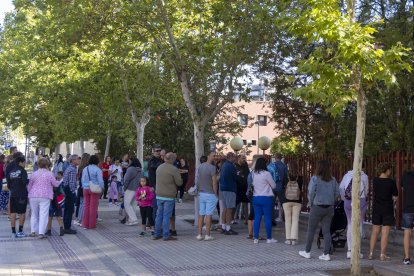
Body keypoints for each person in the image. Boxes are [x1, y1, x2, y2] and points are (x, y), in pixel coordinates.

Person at [299, 160, 339, 261]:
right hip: (329, 208)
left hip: (317, 207)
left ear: (318, 168)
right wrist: (332, 201)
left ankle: (307, 252)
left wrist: (310, 202)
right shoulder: (333, 180)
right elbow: (337, 193)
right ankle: (326, 254)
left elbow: (311, 191)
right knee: (326, 232)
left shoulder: (315, 178)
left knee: (311, 230)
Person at [368, 163, 398, 261]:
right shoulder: (391, 182)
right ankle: (382, 254)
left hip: (377, 208)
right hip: (387, 209)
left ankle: (371, 253)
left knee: (375, 231)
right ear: (387, 170)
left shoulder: (375, 181)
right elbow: (395, 196)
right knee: (385, 232)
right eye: (390, 170)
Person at [151, 152, 183, 241]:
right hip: (169, 196)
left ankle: (157, 234)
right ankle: (166, 235)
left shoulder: (159, 167)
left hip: (159, 195)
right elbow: (179, 182)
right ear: (172, 159)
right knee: (166, 216)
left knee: (159, 215)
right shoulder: (174, 169)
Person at [339, 167, 369, 259]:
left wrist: (344, 199)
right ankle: (357, 250)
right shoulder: (364, 176)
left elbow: (341, 187)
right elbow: (366, 190)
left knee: (350, 224)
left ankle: (349, 250)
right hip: (361, 201)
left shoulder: (347, 175)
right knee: (359, 225)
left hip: (348, 202)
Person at [28, 157, 60, 239]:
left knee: (34, 214)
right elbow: (55, 184)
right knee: (43, 214)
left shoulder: (34, 174)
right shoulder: (49, 174)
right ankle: (41, 233)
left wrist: (29, 193)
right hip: (45, 196)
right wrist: (61, 180)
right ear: (47, 165)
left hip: (33, 195)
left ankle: (33, 231)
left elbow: (29, 186)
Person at [251, 157, 277, 244]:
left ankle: (255, 238)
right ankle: (269, 238)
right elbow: (273, 186)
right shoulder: (267, 174)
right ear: (264, 164)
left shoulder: (253, 174)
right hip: (266, 198)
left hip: (256, 198)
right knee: (267, 218)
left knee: (257, 217)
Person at [196, 151, 218, 241]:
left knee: (201, 214)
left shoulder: (200, 166)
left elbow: (198, 180)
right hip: (210, 193)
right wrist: (215, 193)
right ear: (208, 156)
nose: (214, 157)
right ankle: (207, 235)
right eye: (213, 156)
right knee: (208, 214)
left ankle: (199, 234)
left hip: (202, 193)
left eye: (215, 156)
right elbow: (214, 182)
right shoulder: (212, 168)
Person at [7, 155, 29, 238]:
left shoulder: (11, 171)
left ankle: (13, 232)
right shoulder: (23, 171)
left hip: (13, 194)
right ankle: (20, 231)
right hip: (22, 194)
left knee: (13, 213)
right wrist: (28, 180)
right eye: (24, 163)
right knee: (22, 213)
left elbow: (9, 184)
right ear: (20, 162)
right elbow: (24, 182)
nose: (25, 164)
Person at [283, 161, 303, 245]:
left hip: (286, 200)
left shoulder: (285, 176)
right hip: (297, 201)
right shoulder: (300, 177)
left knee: (288, 220)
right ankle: (294, 239)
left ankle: (288, 239)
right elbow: (301, 188)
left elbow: (282, 187)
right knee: (295, 220)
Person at [81, 155, 104, 229]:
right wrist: (102, 188)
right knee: (93, 207)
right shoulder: (98, 170)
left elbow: (82, 179)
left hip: (85, 188)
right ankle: (91, 224)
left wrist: (84, 186)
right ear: (97, 161)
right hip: (94, 189)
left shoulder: (85, 169)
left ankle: (85, 224)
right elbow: (100, 181)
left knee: (86, 206)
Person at [219, 152, 238, 235]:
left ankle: (223, 226)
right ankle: (228, 228)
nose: (235, 159)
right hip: (230, 189)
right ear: (231, 157)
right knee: (230, 209)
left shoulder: (224, 165)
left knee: (225, 208)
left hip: (223, 189)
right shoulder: (231, 166)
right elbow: (235, 178)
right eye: (234, 157)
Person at [267, 153, 288, 225]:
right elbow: (286, 177)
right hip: (280, 187)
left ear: (275, 157)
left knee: (271, 204)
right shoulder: (284, 166)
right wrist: (284, 185)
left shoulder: (271, 165)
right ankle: (285, 219)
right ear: (281, 157)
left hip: (272, 187)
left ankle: (272, 220)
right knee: (284, 204)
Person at [62, 154, 79, 234]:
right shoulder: (72, 169)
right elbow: (71, 182)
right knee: (70, 210)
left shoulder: (70, 168)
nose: (78, 160)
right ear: (73, 160)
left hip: (66, 189)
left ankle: (65, 226)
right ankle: (67, 228)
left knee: (67, 209)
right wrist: (73, 193)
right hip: (69, 190)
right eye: (77, 159)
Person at [123, 157, 143, 225]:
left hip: (130, 189)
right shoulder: (141, 170)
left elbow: (126, 179)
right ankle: (131, 220)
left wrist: (124, 188)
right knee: (133, 204)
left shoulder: (130, 169)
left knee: (127, 204)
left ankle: (133, 219)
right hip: (138, 189)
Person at [401, 163, 414, 265]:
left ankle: (407, 258)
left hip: (408, 207)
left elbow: (402, 188)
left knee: (407, 232)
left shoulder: (405, 176)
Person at [46, 171, 65, 237]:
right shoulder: (58, 183)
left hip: (51, 200)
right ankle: (61, 228)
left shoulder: (48, 184)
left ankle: (49, 231)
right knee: (59, 216)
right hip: (58, 201)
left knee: (50, 216)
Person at [75, 153, 90, 226]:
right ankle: (81, 220)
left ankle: (79, 219)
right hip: (85, 187)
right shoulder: (87, 168)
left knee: (81, 204)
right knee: (84, 204)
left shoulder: (80, 167)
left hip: (80, 187)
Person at [194, 155, 208, 227]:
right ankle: (205, 224)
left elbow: (196, 180)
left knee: (201, 208)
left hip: (200, 190)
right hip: (206, 190)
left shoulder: (198, 168)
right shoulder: (207, 168)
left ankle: (199, 223)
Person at [235, 155, 249, 224]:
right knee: (235, 204)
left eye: (245, 158)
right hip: (237, 188)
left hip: (245, 188)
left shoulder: (246, 165)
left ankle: (247, 219)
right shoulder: (235, 166)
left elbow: (248, 175)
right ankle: (232, 219)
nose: (244, 159)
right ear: (239, 159)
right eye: (243, 158)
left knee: (245, 204)